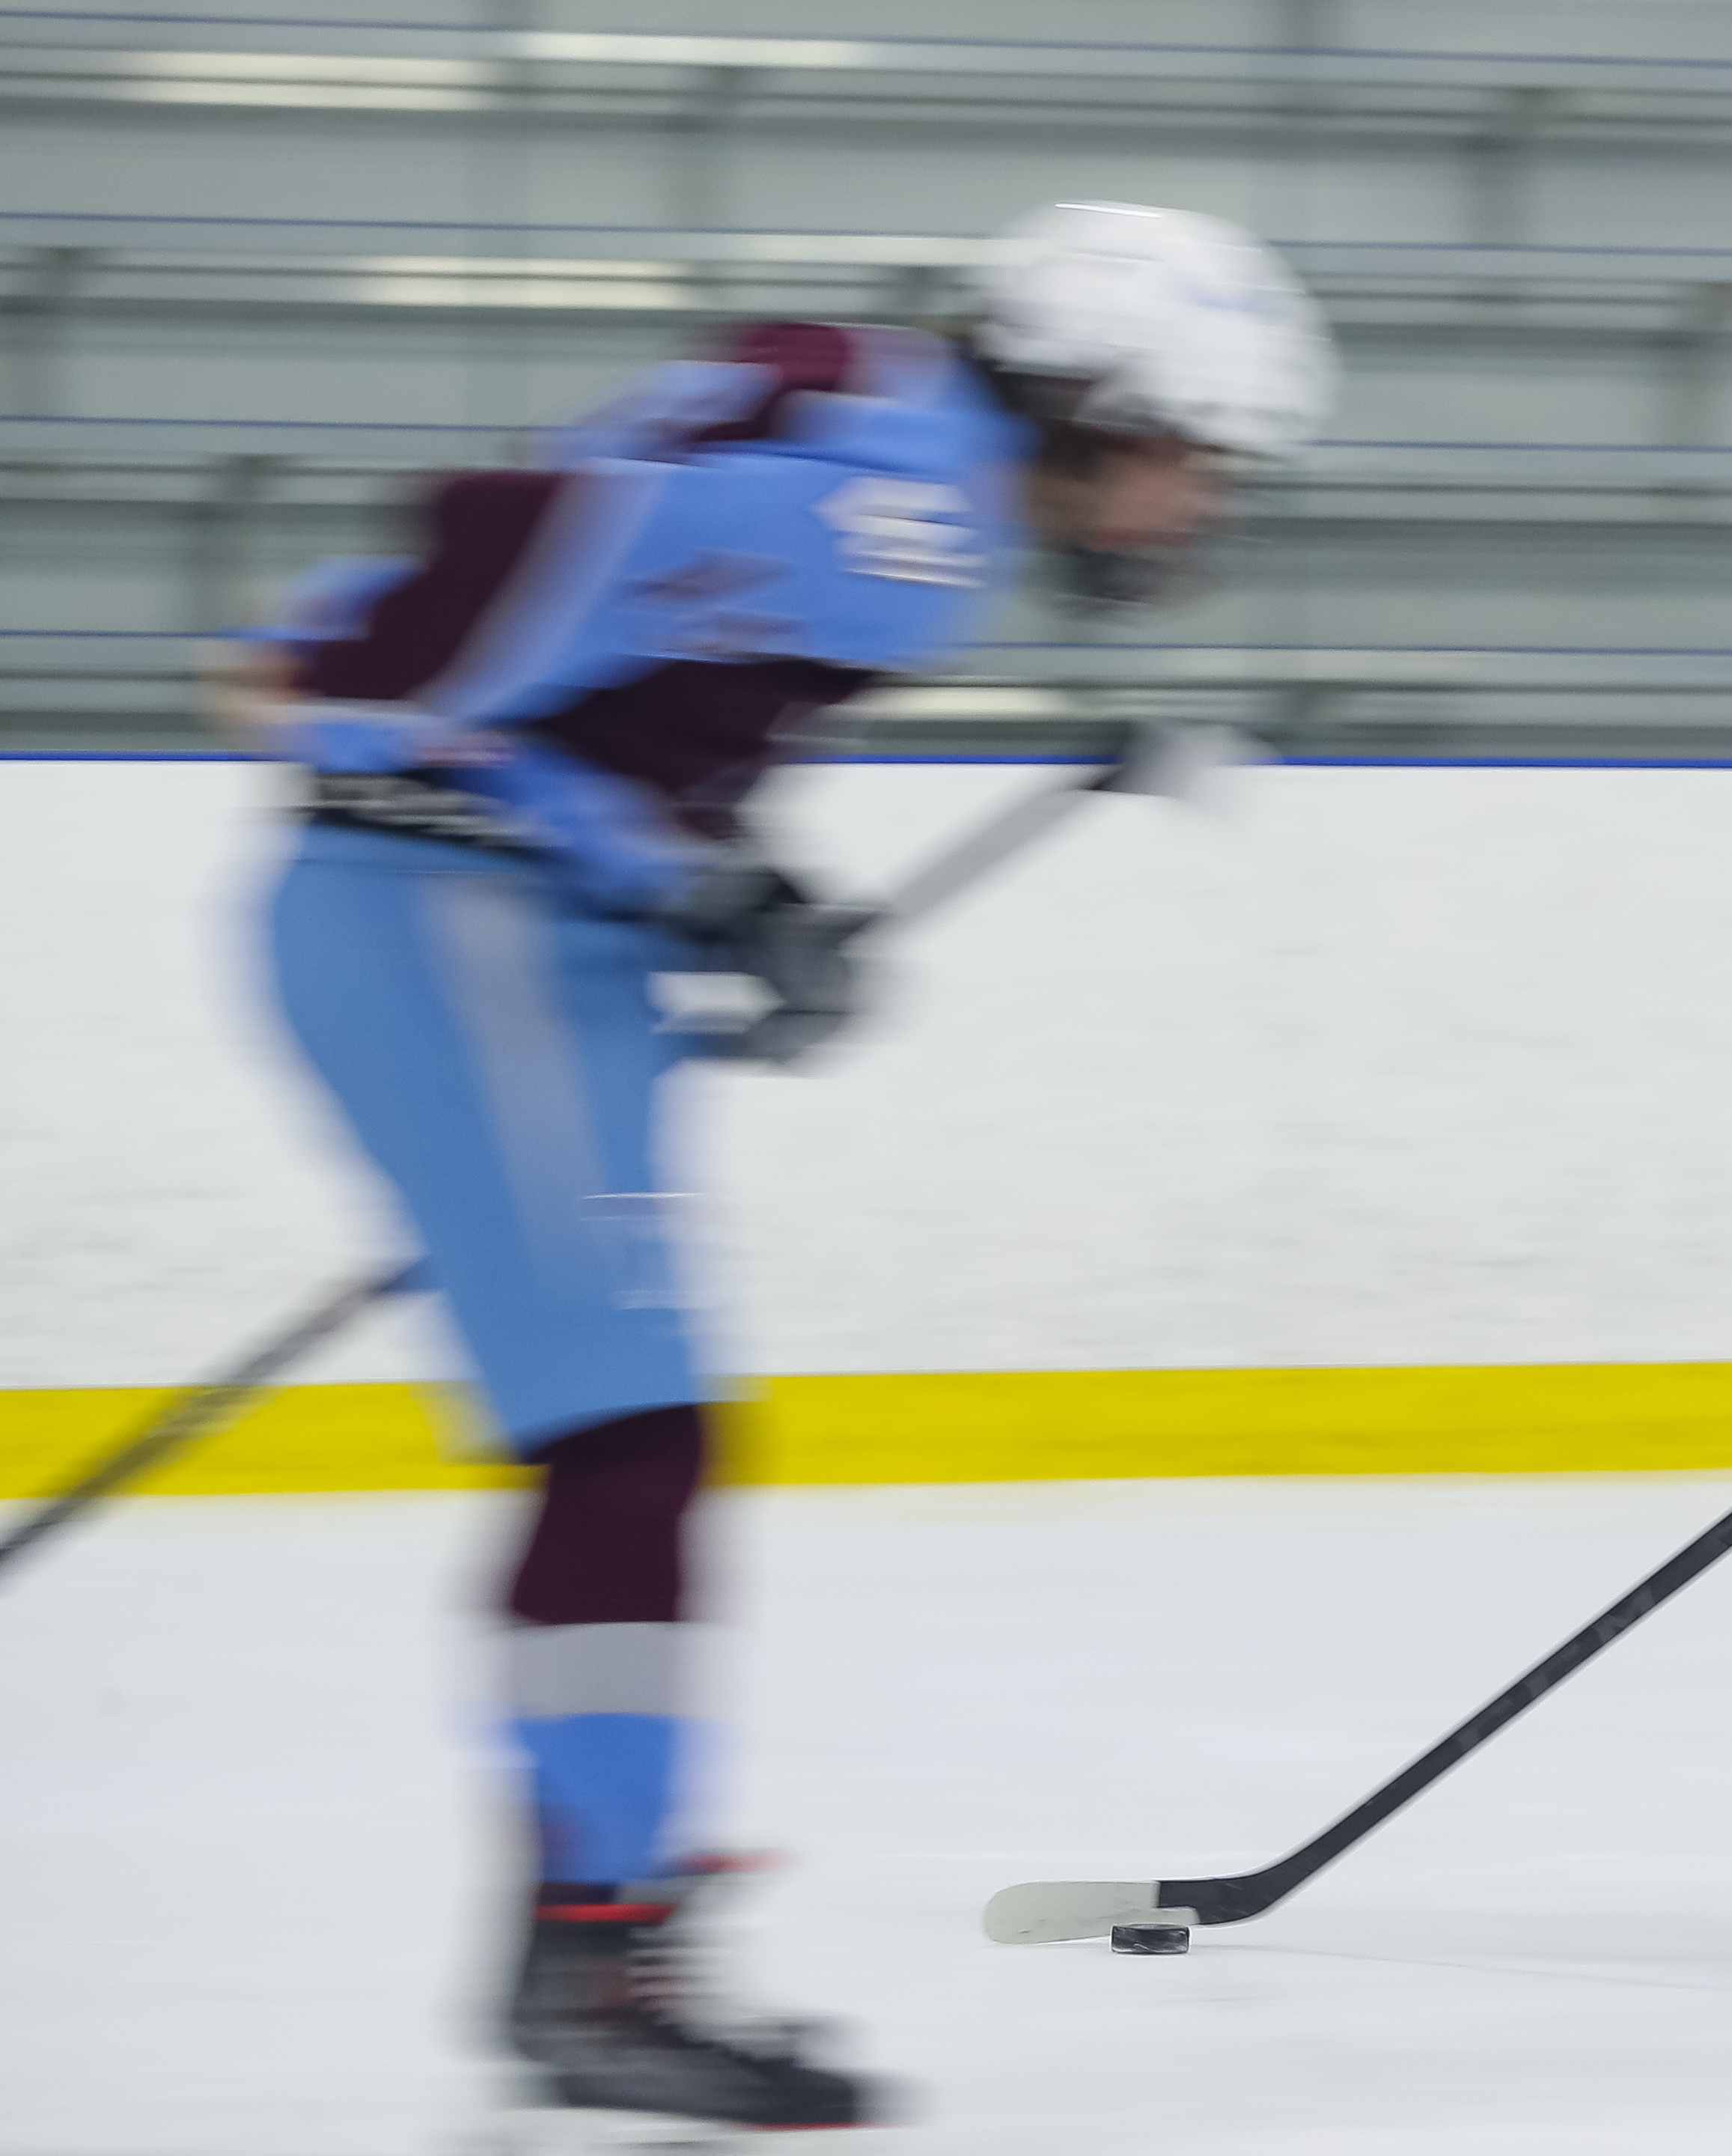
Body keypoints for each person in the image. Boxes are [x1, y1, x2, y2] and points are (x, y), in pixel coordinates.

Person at [223, 201, 1335, 2124]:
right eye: (1193, 458)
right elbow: (527, 548)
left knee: (636, 1439)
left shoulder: (896, 438)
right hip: (449, 920)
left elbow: (608, 647)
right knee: (632, 1441)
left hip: (504, 926)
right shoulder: (913, 520)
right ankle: (599, 1955)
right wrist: (360, 677)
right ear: (1095, 406)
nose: (1198, 508)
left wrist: (713, 900)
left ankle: (597, 1923)